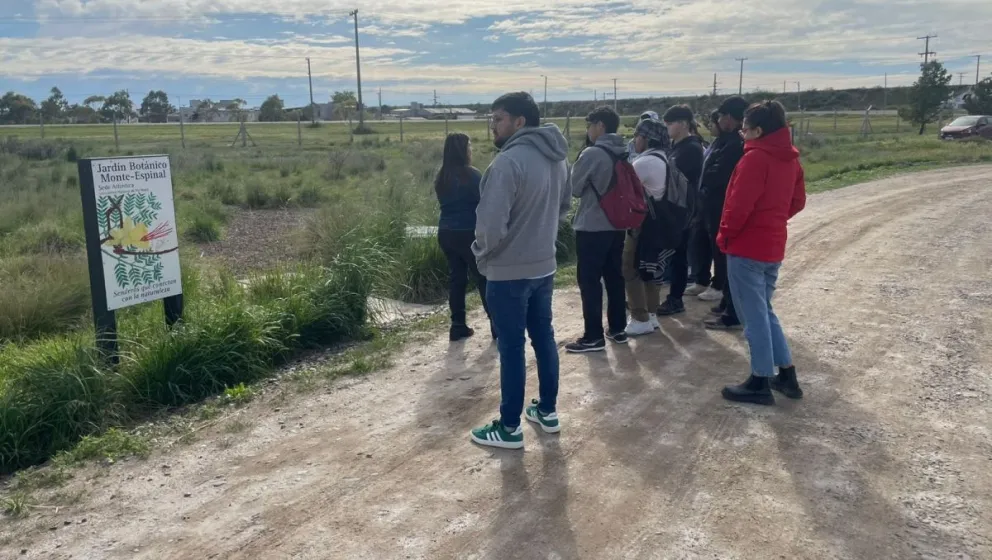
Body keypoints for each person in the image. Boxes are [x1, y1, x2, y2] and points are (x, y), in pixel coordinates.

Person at [470, 92, 570, 449]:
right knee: (543, 337)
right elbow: (563, 207)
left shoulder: (507, 162)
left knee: (512, 348)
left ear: (519, 122)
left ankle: (509, 428)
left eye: (498, 118)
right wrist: (540, 238)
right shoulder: (558, 158)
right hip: (544, 267)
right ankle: (547, 410)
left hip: (508, 272)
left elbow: (489, 226)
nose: (492, 126)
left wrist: (482, 256)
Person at [718, 100, 806, 405]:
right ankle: (786, 373)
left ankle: (759, 379)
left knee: (752, 316)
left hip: (746, 247)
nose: (742, 134)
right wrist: (773, 219)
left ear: (758, 131)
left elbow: (738, 206)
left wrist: (725, 236)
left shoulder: (755, 159)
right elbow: (797, 201)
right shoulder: (790, 158)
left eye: (744, 129)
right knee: (764, 311)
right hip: (772, 245)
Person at [567, 106, 628, 352]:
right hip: (617, 223)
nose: (588, 130)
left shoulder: (592, 153)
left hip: (592, 225)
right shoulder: (623, 149)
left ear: (600, 125)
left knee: (589, 281)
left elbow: (574, 188)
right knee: (614, 276)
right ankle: (618, 328)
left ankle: (593, 335)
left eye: (589, 125)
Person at [434, 133, 491, 341]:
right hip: (469, 232)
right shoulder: (472, 175)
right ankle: (496, 323)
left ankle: (457, 325)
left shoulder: (441, 176)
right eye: (469, 146)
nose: (471, 150)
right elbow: (485, 201)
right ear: (463, 150)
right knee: (483, 277)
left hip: (446, 232)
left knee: (457, 279)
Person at [699, 96, 747, 331]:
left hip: (722, 206)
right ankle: (727, 302)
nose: (718, 121)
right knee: (721, 255)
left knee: (727, 258)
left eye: (719, 117)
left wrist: (706, 178)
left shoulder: (735, 144)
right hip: (714, 205)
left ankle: (732, 309)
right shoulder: (725, 141)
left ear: (728, 117)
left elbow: (719, 174)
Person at [622, 118, 670, 336]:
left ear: (646, 138)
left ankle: (639, 318)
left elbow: (625, 191)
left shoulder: (644, 163)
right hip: (659, 225)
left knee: (630, 268)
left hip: (642, 225)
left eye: (637, 136)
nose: (634, 140)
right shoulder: (664, 158)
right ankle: (651, 315)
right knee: (651, 269)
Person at [656, 105, 705, 317]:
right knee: (672, 254)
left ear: (683, 124)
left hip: (683, 209)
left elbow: (675, 176)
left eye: (670, 123)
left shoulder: (691, 148)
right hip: (672, 207)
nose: (667, 127)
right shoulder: (676, 146)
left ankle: (675, 299)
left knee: (678, 256)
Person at [686, 110, 722, 296]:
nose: (710, 126)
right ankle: (701, 279)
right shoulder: (716, 143)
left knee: (717, 246)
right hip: (703, 203)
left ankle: (719, 285)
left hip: (715, 203)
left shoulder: (731, 145)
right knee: (700, 242)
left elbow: (717, 174)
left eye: (714, 122)